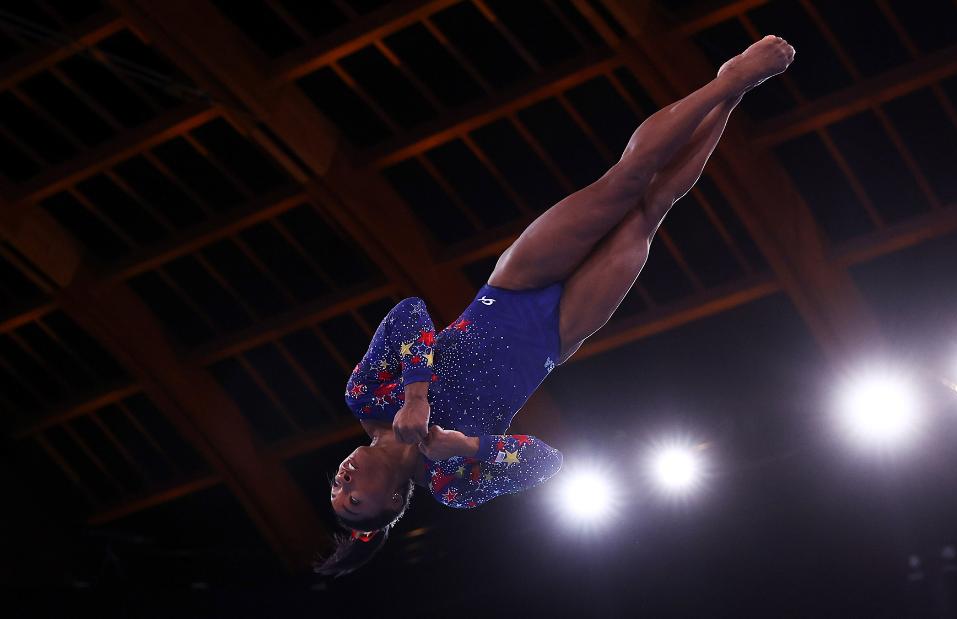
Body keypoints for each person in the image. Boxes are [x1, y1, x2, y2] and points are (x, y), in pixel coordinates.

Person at [315, 35, 796, 576]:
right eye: (353, 500)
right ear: (394, 505)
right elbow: (546, 461)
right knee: (651, 207)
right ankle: (732, 97)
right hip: (557, 336)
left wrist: (416, 395)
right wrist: (464, 444)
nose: (345, 480)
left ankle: (726, 79)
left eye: (336, 484)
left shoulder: (366, 397)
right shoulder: (451, 484)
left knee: (625, 182)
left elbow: (410, 312)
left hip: (511, 289)